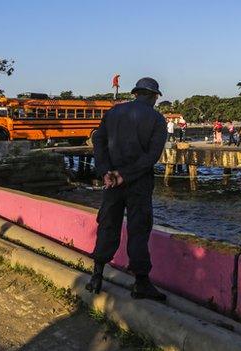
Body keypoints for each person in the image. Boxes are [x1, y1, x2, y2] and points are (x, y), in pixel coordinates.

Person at [88, 77, 167, 301]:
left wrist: (105, 171)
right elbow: (151, 157)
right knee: (138, 229)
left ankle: (97, 275)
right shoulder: (157, 119)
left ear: (136, 93)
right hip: (138, 182)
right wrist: (126, 175)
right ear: (153, 97)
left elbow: (99, 142)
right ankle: (141, 283)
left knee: (107, 224)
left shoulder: (113, 113)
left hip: (112, 180)